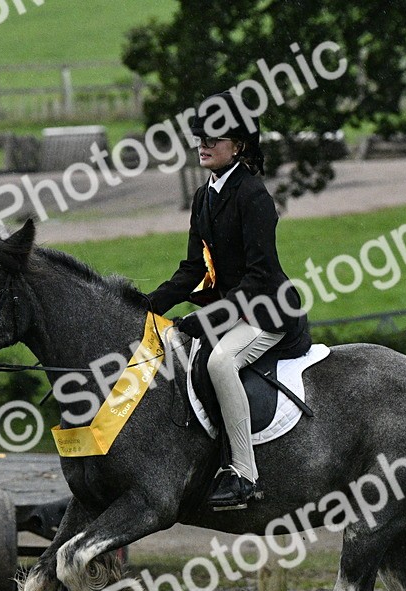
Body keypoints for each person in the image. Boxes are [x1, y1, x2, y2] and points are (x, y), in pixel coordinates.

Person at [147, 91, 309, 511]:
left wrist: (212, 318)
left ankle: (244, 475)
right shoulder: (203, 198)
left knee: (221, 361)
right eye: (199, 136)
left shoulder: (253, 195)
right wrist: (147, 306)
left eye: (214, 138)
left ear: (237, 146)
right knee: (171, 352)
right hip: (236, 310)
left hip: (268, 309)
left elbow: (260, 274)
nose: (203, 144)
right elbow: (191, 270)